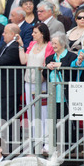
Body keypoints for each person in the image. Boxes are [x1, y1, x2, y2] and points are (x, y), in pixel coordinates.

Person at [17, 22, 53, 150]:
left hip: (42, 83)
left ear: (42, 33)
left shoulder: (49, 46)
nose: (32, 34)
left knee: (44, 112)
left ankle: (47, 142)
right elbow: (23, 60)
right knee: (31, 111)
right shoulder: (32, 44)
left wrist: (42, 78)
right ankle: (35, 140)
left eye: (35, 32)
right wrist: (21, 45)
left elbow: (47, 63)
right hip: (29, 81)